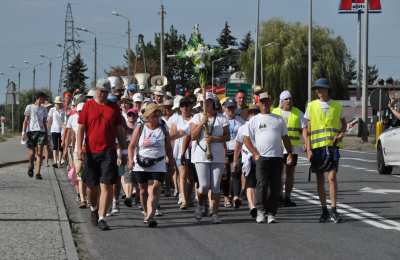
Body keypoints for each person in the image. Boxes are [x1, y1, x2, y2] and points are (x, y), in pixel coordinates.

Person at [76, 79, 126, 231]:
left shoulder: (113, 108)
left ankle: (103, 217)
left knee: (106, 185)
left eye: (105, 92)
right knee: (92, 187)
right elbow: (81, 129)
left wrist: (123, 151)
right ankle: (93, 209)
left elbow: (119, 131)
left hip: (108, 151)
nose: (102, 94)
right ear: (95, 90)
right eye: (100, 91)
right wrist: (79, 148)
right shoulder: (88, 106)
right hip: (91, 152)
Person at [243, 92, 293, 224]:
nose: (265, 104)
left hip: (277, 157)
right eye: (262, 102)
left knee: (275, 186)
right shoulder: (254, 120)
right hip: (262, 158)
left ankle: (271, 213)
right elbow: (246, 139)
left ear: (270, 103)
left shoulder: (278, 119)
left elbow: (285, 138)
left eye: (267, 101)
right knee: (262, 185)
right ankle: (260, 210)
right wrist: (255, 153)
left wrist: (289, 153)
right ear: (259, 104)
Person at [305, 78, 346, 224]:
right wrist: (308, 148)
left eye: (320, 88)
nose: (317, 91)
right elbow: (307, 129)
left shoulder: (336, 105)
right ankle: (324, 210)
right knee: (320, 180)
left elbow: (344, 125)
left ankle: (334, 209)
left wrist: (341, 135)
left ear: (327, 89)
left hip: (332, 147)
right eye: (316, 89)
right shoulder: (311, 106)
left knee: (332, 178)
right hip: (317, 149)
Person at [128, 103, 175, 227]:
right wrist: (130, 160)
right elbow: (132, 146)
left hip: (158, 163)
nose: (156, 117)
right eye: (153, 115)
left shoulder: (163, 128)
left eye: (158, 115)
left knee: (154, 189)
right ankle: (145, 212)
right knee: (143, 191)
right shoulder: (141, 127)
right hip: (141, 163)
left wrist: (171, 160)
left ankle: (151, 215)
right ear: (148, 116)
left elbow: (168, 147)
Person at [190, 92, 229, 223]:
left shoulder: (222, 118)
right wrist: (202, 123)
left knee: (216, 186)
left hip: (217, 155)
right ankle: (200, 205)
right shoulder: (196, 117)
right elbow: (193, 136)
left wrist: (214, 139)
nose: (205, 105)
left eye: (207, 102)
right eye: (202, 103)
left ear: (213, 103)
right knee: (204, 186)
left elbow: (227, 137)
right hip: (201, 156)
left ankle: (215, 213)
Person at [272, 90, 308, 207]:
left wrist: (307, 143)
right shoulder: (274, 112)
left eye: (290, 99)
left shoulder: (298, 113)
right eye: (286, 99)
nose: (289, 101)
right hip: (277, 148)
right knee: (277, 174)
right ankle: (277, 196)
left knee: (290, 174)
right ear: (281, 101)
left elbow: (304, 130)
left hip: (293, 149)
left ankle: (287, 197)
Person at [233, 104, 259, 218]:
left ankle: (254, 204)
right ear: (248, 114)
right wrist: (234, 160)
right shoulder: (243, 128)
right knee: (251, 183)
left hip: (259, 158)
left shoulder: (261, 126)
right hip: (248, 158)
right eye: (252, 113)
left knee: (255, 184)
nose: (254, 115)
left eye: (256, 112)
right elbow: (238, 145)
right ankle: (252, 205)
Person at [169, 96, 194, 209]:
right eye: (183, 106)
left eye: (187, 105)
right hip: (180, 151)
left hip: (194, 151)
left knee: (191, 177)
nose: (185, 108)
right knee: (182, 175)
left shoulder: (195, 119)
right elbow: (172, 136)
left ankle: (188, 197)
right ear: (180, 108)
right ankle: (183, 198)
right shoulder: (176, 120)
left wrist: (183, 132)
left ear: (191, 106)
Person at [222, 97, 244, 208]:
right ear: (224, 108)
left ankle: (235, 197)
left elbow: (245, 136)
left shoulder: (240, 121)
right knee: (225, 175)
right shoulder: (221, 119)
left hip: (236, 150)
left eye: (232, 108)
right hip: (224, 150)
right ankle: (226, 197)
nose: (231, 110)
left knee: (236, 172)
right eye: (229, 108)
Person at [22, 91, 48, 179]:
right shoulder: (29, 107)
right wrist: (23, 132)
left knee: (40, 152)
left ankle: (38, 173)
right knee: (32, 153)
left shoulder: (44, 109)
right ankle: (31, 165)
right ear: (38, 98)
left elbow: (44, 122)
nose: (44, 100)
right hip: (31, 132)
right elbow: (25, 121)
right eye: (43, 98)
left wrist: (47, 134)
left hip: (41, 132)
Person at [65, 102, 87, 208]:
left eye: (82, 111)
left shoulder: (90, 118)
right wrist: (66, 147)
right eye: (79, 111)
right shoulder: (72, 118)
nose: (80, 113)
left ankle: (87, 196)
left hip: (90, 150)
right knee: (80, 173)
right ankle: (83, 199)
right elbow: (69, 134)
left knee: (89, 174)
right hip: (77, 150)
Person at [47, 96, 65, 168]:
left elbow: (64, 121)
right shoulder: (52, 110)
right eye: (57, 103)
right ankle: (55, 161)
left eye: (59, 103)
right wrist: (47, 129)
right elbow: (49, 119)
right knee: (55, 146)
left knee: (60, 147)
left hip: (62, 131)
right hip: (54, 129)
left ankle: (59, 162)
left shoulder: (63, 111)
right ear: (55, 103)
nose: (58, 104)